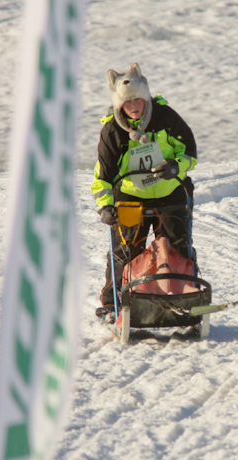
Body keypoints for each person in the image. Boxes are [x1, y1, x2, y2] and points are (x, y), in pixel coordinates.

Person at [92, 63, 198, 320]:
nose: (134, 105)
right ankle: (112, 303)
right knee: (126, 250)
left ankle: (185, 297)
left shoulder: (166, 117)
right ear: (119, 105)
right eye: (128, 102)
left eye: (138, 99)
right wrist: (105, 205)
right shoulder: (112, 131)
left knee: (177, 247)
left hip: (170, 192)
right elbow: (103, 177)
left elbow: (189, 152)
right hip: (130, 196)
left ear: (146, 97)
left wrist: (176, 166)